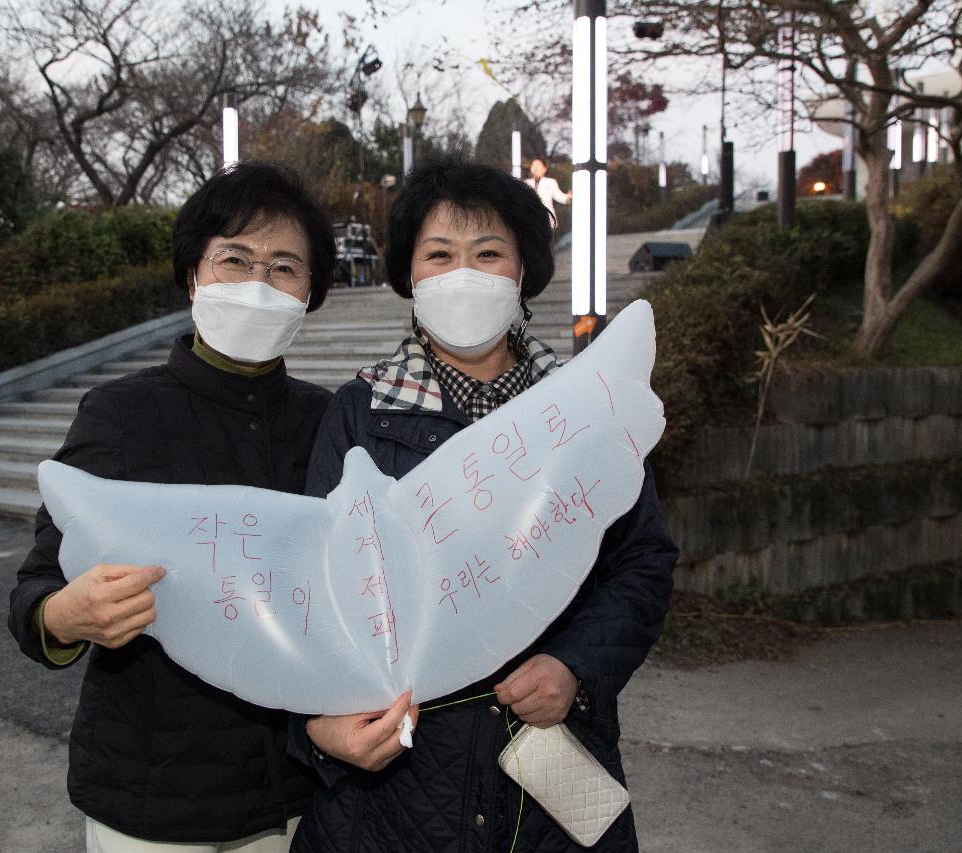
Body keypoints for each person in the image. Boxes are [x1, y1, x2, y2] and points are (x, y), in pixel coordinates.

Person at [288, 157, 678, 853]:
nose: (463, 272)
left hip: (555, 758)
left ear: (524, 269)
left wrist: (575, 667)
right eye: (439, 253)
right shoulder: (361, 409)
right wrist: (324, 724)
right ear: (410, 275)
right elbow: (316, 590)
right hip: (392, 789)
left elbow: (643, 558)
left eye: (488, 252)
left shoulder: (584, 408)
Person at [8, 162, 336, 853]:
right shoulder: (122, 415)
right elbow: (39, 585)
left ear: (310, 291)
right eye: (235, 260)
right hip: (150, 795)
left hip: (294, 787)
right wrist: (66, 615)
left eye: (284, 267)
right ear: (193, 275)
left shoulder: (329, 423)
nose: (258, 284)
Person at [526, 157, 572, 226]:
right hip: (531, 220)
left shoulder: (551, 182)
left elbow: (559, 196)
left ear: (544, 169)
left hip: (547, 219)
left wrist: (568, 197)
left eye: (538, 165)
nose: (535, 168)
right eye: (533, 165)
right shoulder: (526, 183)